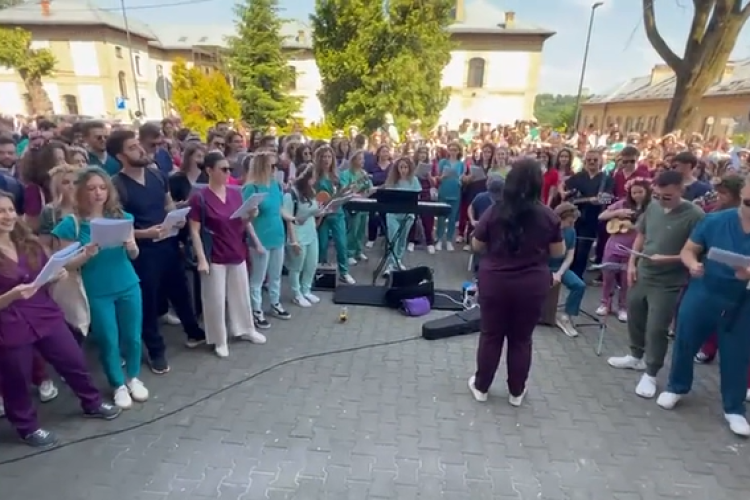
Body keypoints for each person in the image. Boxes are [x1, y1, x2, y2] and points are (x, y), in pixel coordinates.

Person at [0, 191, 120, 447]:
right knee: (16, 378)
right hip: (8, 324)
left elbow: (44, 272)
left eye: (10, 210)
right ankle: (27, 427)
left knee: (72, 359)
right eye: (1, 212)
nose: (7, 216)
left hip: (43, 313)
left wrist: (56, 275)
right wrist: (10, 296)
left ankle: (92, 402)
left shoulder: (28, 243)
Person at [656, 175, 750, 437]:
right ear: (742, 193)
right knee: (685, 340)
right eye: (748, 202)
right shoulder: (715, 221)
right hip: (705, 290)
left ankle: (734, 408)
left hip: (742, 300)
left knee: (737, 353)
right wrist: (692, 264)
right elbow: (689, 250)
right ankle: (676, 386)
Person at [468, 158, 565, 407]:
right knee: (521, 339)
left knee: (491, 335)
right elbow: (558, 252)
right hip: (531, 284)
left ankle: (481, 387)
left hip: (495, 281)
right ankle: (516, 392)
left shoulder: (495, 211)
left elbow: (477, 245)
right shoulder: (548, 216)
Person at [52, 166, 149, 409]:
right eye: (92, 188)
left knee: (133, 336)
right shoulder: (71, 224)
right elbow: (66, 264)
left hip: (127, 283)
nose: (98, 193)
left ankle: (133, 377)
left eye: (103, 188)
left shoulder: (122, 217)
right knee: (108, 339)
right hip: (97, 289)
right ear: (82, 191)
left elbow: (134, 255)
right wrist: (86, 254)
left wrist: (131, 246)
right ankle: (117, 384)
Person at [607, 170, 704, 399]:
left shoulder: (695, 215)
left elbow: (697, 252)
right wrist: (632, 263)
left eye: (667, 197)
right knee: (635, 316)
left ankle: (651, 372)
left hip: (669, 281)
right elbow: (641, 236)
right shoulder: (652, 207)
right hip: (644, 272)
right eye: (658, 195)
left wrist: (669, 259)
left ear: (681, 190)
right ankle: (635, 356)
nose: (661, 200)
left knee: (657, 327)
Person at [188, 152, 266, 358]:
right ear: (209, 171)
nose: (228, 173)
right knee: (215, 298)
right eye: (223, 169)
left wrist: (250, 216)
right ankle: (219, 339)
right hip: (214, 254)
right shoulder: (199, 198)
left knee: (241, 293)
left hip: (235, 249)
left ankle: (245, 329)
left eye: (229, 169)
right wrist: (201, 259)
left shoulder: (234, 194)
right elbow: (194, 230)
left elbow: (241, 222)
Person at [242, 151, 294, 328]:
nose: (275, 170)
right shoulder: (251, 188)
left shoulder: (275, 185)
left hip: (277, 234)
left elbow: (279, 209)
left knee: (275, 274)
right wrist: (255, 242)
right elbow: (246, 219)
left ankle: (275, 303)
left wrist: (292, 218)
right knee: (258, 277)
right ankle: (256, 310)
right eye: (271, 166)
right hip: (260, 237)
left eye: (275, 166)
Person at [596, 177, 652, 321]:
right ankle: (605, 303)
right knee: (608, 275)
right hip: (614, 243)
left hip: (633, 247)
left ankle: (623, 307)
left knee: (626, 279)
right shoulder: (622, 204)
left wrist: (635, 227)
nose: (637, 195)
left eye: (640, 192)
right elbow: (602, 216)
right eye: (634, 193)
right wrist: (616, 213)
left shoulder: (651, 208)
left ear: (647, 191)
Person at [283, 164, 322, 307]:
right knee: (296, 266)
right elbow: (289, 219)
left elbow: (313, 211)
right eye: (312, 177)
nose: (314, 180)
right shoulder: (291, 195)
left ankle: (306, 290)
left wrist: (322, 212)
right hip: (297, 234)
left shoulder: (311, 191)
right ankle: (296, 294)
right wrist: (293, 241)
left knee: (311, 263)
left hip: (311, 232)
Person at [549, 202, 586, 338]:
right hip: (543, 265)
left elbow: (570, 255)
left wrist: (559, 273)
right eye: (570, 222)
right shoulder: (547, 229)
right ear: (561, 218)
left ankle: (566, 316)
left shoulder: (571, 231)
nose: (572, 225)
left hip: (560, 266)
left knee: (579, 285)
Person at [382, 157, 421, 274]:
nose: (403, 170)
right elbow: (387, 196)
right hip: (392, 214)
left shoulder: (414, 180)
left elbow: (417, 196)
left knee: (403, 239)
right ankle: (391, 264)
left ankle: (398, 260)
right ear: (397, 168)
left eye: (406, 167)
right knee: (393, 238)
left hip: (407, 214)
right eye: (401, 167)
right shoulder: (392, 180)